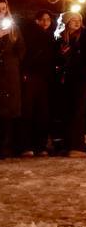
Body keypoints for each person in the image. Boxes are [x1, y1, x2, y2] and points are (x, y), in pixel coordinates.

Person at [51, 11, 86, 157]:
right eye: (73, 20)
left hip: (81, 77)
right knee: (67, 111)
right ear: (67, 22)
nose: (77, 22)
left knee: (78, 110)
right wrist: (62, 55)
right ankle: (67, 144)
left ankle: (78, 146)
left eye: (79, 20)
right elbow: (55, 59)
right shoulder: (60, 37)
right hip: (65, 78)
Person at [17, 10, 56, 156]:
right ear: (37, 21)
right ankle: (26, 145)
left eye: (48, 19)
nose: (46, 22)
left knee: (42, 112)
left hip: (45, 79)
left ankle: (40, 145)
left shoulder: (52, 36)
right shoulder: (30, 35)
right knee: (28, 111)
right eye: (43, 19)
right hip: (31, 77)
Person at [0, 0, 27, 158]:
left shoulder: (13, 28)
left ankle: (5, 146)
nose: (1, 13)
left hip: (9, 73)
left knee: (7, 111)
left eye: (3, 9)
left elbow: (21, 49)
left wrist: (14, 62)